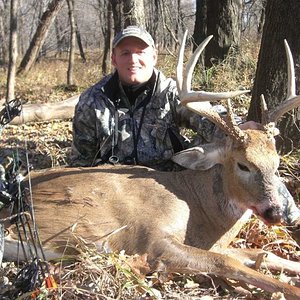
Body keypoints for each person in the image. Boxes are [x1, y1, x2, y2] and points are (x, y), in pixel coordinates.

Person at [71, 25, 300, 227]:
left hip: (170, 181)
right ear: (114, 59)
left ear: (153, 56)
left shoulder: (172, 92)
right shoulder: (93, 100)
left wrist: (240, 128)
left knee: (240, 155)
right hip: (113, 187)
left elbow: (209, 121)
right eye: (125, 53)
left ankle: (290, 216)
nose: (133, 59)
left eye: (141, 52)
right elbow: (81, 159)